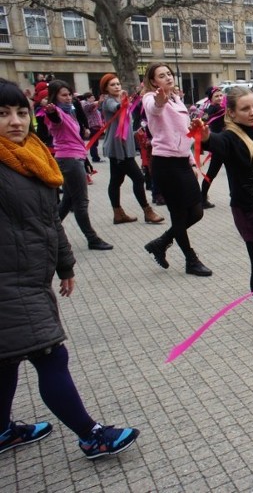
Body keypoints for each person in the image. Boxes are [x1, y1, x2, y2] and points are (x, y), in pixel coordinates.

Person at [0, 79, 139, 460]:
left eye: (20, 112)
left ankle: (2, 431)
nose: (15, 121)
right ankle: (91, 434)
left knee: (7, 360)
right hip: (9, 284)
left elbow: (48, 220)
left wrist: (65, 264)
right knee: (49, 356)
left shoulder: (32, 153)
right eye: (3, 114)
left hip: (31, 276)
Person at [196, 87, 253, 333]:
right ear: (232, 114)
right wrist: (204, 138)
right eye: (245, 109)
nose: (252, 112)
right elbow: (214, 143)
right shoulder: (229, 138)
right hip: (249, 212)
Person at [141, 63, 212, 276]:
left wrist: (191, 161)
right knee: (179, 215)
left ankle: (161, 242)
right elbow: (154, 108)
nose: (168, 78)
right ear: (153, 81)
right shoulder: (151, 98)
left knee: (197, 212)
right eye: (162, 76)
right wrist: (159, 100)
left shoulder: (177, 99)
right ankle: (191, 260)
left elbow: (183, 134)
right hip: (166, 163)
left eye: (169, 74)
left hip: (182, 161)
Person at [43, 80, 113, 251]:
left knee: (67, 200)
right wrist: (51, 112)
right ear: (55, 97)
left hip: (74, 158)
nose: (68, 98)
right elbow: (55, 119)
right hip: (70, 160)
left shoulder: (69, 112)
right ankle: (92, 238)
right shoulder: (57, 112)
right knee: (80, 202)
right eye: (63, 95)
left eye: (69, 94)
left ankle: (47, 233)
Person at [99, 73, 164, 225]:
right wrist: (123, 101)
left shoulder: (120, 100)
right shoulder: (109, 101)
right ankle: (147, 211)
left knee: (116, 180)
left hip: (123, 147)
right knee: (138, 178)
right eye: (112, 85)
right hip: (118, 148)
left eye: (117, 84)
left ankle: (118, 213)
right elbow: (117, 108)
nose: (116, 86)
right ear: (106, 89)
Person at [200, 86, 226, 209]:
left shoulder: (221, 107)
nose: (220, 98)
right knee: (211, 173)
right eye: (216, 96)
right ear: (211, 99)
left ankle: (202, 197)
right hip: (219, 145)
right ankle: (202, 198)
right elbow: (204, 118)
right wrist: (203, 121)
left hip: (225, 143)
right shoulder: (212, 108)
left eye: (221, 95)